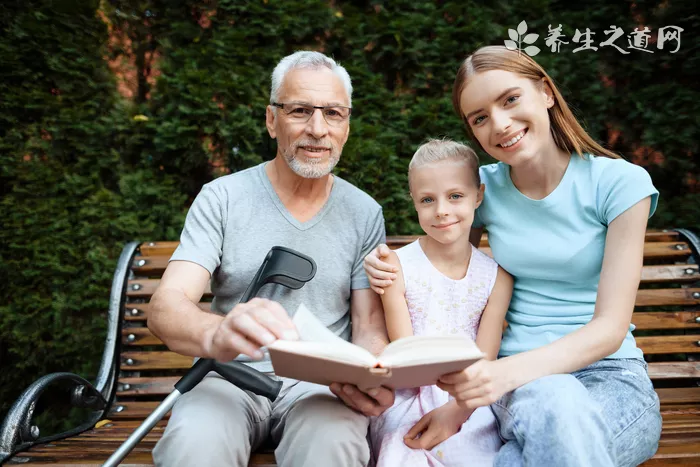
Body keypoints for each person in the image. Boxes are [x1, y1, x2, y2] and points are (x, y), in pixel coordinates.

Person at [363, 45, 662, 467]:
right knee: (553, 398)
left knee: (544, 434)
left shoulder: (620, 184)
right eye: (480, 118)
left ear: (545, 92)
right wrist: (385, 262)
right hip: (520, 388)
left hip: (609, 378)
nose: (500, 124)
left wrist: (489, 383)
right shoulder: (480, 188)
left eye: (510, 99)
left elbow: (609, 329)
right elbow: (441, 252)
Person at [147, 50, 394, 467]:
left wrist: (371, 371)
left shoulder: (364, 212)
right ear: (271, 119)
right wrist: (218, 332)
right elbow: (166, 307)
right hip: (226, 377)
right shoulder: (222, 198)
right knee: (193, 444)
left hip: (319, 386)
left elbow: (369, 325)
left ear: (346, 125)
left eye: (333, 113)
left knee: (334, 446)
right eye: (300, 110)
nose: (317, 129)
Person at [369, 139, 512, 466]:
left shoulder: (496, 278)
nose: (442, 210)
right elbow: (406, 353)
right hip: (407, 395)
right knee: (404, 449)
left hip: (469, 400)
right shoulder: (396, 266)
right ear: (414, 203)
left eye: (455, 196)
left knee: (472, 452)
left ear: (479, 195)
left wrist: (458, 409)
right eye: (428, 200)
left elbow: (484, 361)